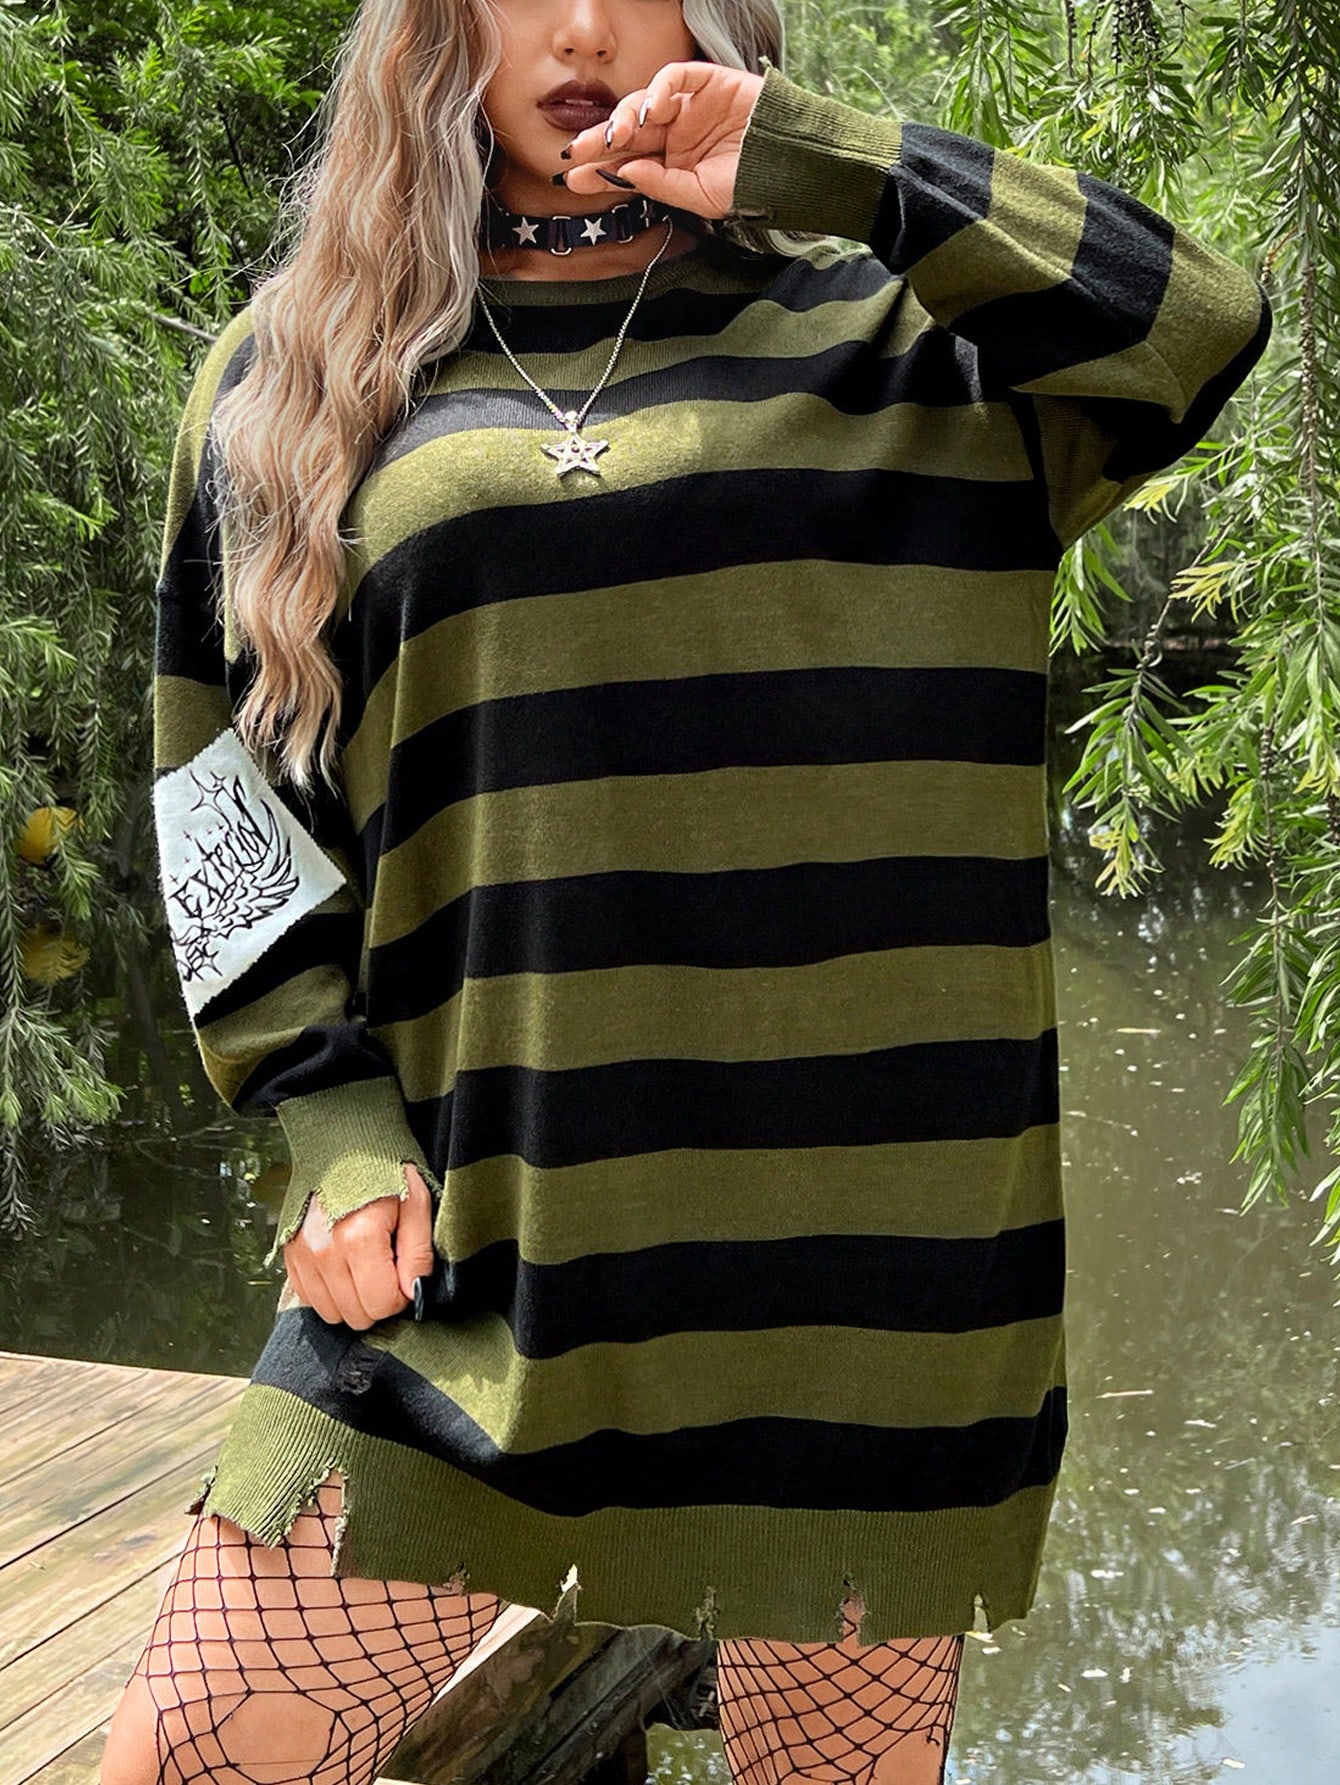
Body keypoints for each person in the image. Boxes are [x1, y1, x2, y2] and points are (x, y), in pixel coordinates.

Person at [102, 0, 1272, 1781]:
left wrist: (826, 162)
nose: (582, 27)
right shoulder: (296, 370)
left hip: (866, 1310)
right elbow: (222, 801)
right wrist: (327, 1124)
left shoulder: (919, 342)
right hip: (478, 1276)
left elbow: (1201, 320)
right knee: (185, 1748)